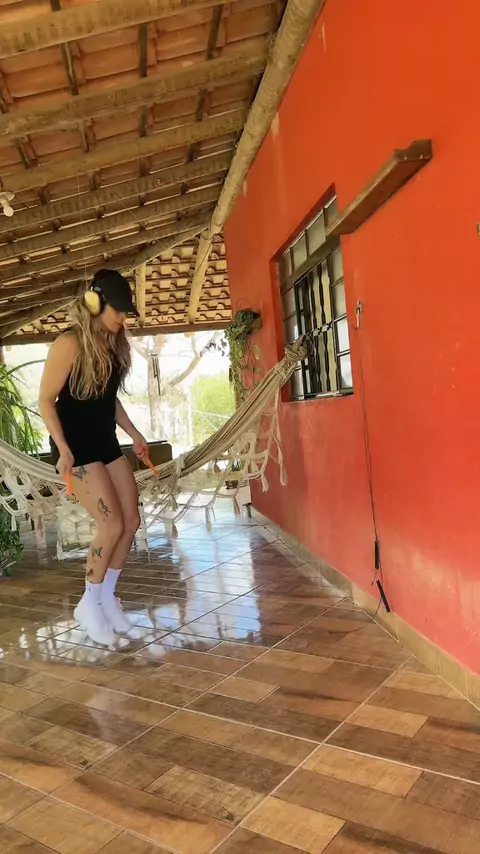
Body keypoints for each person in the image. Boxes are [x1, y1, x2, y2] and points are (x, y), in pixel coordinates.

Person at [39, 269, 149, 646]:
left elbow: (108, 400)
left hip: (105, 440)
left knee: (131, 521)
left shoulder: (113, 344)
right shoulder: (69, 343)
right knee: (111, 523)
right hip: (76, 445)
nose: (123, 317)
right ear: (95, 303)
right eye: (117, 309)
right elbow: (45, 400)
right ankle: (88, 603)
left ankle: (105, 601)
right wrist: (63, 448)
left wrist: (134, 434)